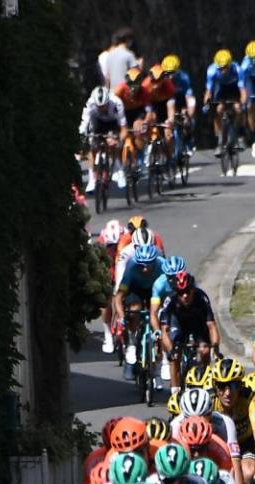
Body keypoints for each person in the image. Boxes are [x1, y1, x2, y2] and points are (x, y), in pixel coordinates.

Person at [115, 245, 163, 377]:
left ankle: (159, 358)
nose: (145, 269)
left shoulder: (162, 265)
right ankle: (132, 342)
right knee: (135, 308)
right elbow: (119, 297)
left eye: (149, 265)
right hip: (135, 288)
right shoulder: (131, 267)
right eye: (142, 265)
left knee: (161, 315)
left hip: (155, 289)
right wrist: (122, 317)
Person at [80, 86, 128, 193]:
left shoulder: (117, 103)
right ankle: (92, 179)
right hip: (97, 122)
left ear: (108, 102)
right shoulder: (90, 104)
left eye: (104, 106)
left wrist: (119, 140)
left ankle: (118, 169)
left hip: (113, 123)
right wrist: (83, 136)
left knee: (112, 142)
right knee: (92, 145)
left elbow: (123, 128)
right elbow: (84, 123)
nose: (101, 108)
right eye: (99, 106)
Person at [204, 49, 247, 156]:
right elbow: (209, 90)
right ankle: (219, 142)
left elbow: (242, 89)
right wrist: (207, 102)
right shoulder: (212, 70)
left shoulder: (237, 69)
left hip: (234, 88)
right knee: (218, 110)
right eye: (220, 68)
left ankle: (239, 134)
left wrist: (242, 102)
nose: (223, 70)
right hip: (221, 89)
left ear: (230, 64)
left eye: (225, 67)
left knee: (237, 108)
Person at [97, 220, 122, 354]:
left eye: (116, 245)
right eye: (110, 246)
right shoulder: (101, 242)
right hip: (107, 270)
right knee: (105, 302)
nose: (113, 249)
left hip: (121, 268)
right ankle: (107, 333)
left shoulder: (127, 240)